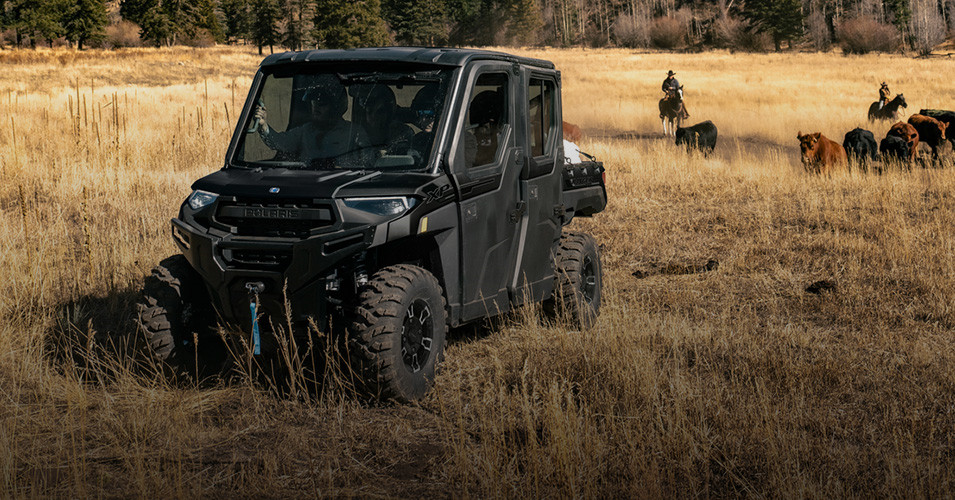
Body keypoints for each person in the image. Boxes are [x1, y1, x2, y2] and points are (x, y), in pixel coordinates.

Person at [251, 74, 371, 167]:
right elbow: (279, 142)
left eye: (323, 103)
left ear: (336, 107)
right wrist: (263, 125)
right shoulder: (305, 131)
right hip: (307, 183)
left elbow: (369, 165)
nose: (316, 107)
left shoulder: (355, 133)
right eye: (313, 102)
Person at [354, 84, 414, 156]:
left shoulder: (402, 133)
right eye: (370, 111)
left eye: (380, 112)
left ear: (389, 113)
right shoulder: (357, 135)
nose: (373, 116)